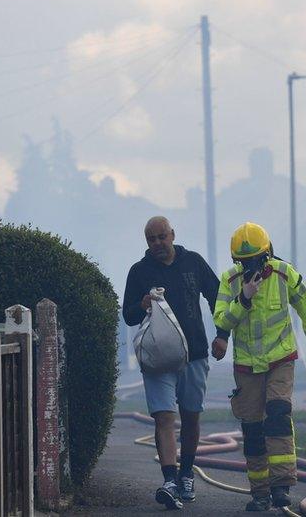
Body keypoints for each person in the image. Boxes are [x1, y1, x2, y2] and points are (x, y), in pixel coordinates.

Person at [212, 221, 306, 511]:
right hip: (247, 366)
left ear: (267, 255)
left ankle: (281, 486)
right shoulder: (230, 282)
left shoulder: (284, 274)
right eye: (244, 262)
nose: (250, 267)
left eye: (255, 261)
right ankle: (260, 492)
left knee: (277, 414)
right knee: (253, 428)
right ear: (236, 262)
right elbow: (221, 321)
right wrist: (244, 299)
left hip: (280, 359)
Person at [122, 216, 222, 510]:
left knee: (190, 416)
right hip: (158, 359)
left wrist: (222, 336)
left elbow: (217, 296)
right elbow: (128, 315)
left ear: (173, 235)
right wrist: (141, 305)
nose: (157, 244)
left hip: (195, 353)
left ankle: (187, 474)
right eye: (151, 239)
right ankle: (169, 479)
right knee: (164, 417)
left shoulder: (193, 262)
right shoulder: (139, 271)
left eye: (161, 237)